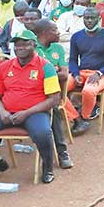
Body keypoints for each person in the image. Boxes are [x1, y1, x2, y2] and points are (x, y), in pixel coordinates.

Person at [0, 30, 59, 184]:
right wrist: (1, 112)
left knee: (43, 133)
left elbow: (54, 99)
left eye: (25, 44)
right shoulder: (4, 66)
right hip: (6, 113)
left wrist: (26, 113)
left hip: (34, 113)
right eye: (17, 44)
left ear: (34, 45)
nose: (20, 47)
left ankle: (47, 166)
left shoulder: (45, 66)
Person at [66, 7, 104, 134]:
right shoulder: (76, 36)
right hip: (81, 72)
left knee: (88, 91)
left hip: (103, 73)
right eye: (86, 18)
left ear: (99, 19)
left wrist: (99, 73)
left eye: (92, 18)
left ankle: (85, 117)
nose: (89, 21)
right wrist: (75, 74)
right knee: (58, 90)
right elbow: (73, 59)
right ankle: (76, 118)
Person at [31, 19, 73, 169]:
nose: (58, 33)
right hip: (31, 92)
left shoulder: (58, 48)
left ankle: (62, 153)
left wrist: (46, 72)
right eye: (55, 30)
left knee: (53, 109)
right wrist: (53, 70)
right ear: (44, 33)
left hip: (51, 93)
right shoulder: (32, 47)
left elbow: (64, 75)